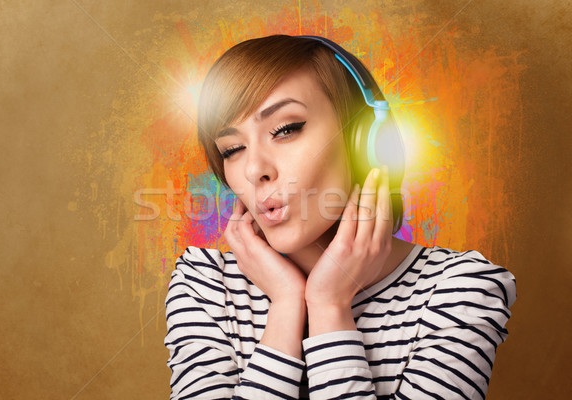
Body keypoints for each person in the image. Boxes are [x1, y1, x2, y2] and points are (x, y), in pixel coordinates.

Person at [164, 34, 516, 399]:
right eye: (233, 149)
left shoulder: (461, 290)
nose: (254, 169)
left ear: (364, 140)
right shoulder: (205, 285)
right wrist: (286, 305)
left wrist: (329, 306)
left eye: (286, 130)